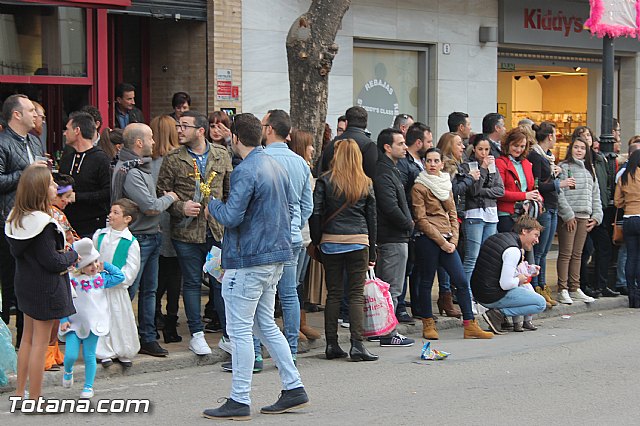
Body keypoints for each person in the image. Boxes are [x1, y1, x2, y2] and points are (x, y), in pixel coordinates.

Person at [205, 113, 308, 420]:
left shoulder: (246, 170)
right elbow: (293, 208)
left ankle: (239, 398)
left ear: (235, 138)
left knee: (240, 332)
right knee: (264, 326)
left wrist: (211, 203)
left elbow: (232, 216)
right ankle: (293, 386)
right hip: (275, 256)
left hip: (249, 261)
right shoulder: (275, 164)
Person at [157, 111, 232, 356]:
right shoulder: (173, 158)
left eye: (185, 126)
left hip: (215, 231)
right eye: (179, 125)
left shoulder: (222, 155)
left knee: (219, 282)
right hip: (186, 233)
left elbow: (229, 191)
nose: (179, 130)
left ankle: (227, 335)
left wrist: (222, 212)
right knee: (190, 283)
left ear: (200, 131)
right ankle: (196, 333)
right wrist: (180, 207)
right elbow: (162, 191)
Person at [5, 165, 78, 401]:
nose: (56, 187)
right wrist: (74, 254)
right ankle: (35, 398)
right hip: (45, 288)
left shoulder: (17, 217)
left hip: (25, 284)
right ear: (39, 190)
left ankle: (20, 393)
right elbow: (53, 261)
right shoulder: (44, 224)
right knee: (39, 343)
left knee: (26, 339)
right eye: (51, 184)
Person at [411, 147, 493, 340]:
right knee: (426, 281)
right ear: (424, 163)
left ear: (441, 163)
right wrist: (442, 242)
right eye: (428, 161)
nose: (432, 164)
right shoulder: (419, 187)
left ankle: (470, 324)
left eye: (436, 161)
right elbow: (421, 220)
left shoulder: (445, 183)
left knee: (462, 281)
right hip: (428, 239)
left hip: (448, 238)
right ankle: (428, 323)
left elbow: (453, 213)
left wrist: (453, 240)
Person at [112, 123, 179, 357]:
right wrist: (170, 197)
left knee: (149, 291)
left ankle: (147, 337)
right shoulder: (131, 171)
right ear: (139, 143)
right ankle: (118, 337)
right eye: (150, 138)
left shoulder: (139, 167)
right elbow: (150, 207)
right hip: (138, 238)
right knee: (129, 290)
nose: (153, 142)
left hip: (150, 236)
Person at [311, 138, 379, 360]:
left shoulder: (325, 181)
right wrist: (373, 251)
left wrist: (318, 240)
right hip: (359, 240)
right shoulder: (366, 182)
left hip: (331, 241)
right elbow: (372, 219)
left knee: (334, 293)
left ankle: (331, 344)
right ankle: (357, 345)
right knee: (356, 295)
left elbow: (316, 213)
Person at [260, 109, 313, 360]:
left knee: (262, 294)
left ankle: (262, 347)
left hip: (267, 238)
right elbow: (307, 205)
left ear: (270, 129)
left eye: (263, 125)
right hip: (292, 237)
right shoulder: (300, 162)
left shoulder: (260, 158)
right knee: (289, 293)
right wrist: (294, 223)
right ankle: (290, 348)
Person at [0, 94, 45, 349]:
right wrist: (25, 173)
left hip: (35, 221)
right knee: (10, 281)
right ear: (16, 114)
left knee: (30, 281)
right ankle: (5, 344)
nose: (35, 115)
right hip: (7, 222)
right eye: (30, 110)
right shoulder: (2, 143)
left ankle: (25, 342)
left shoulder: (35, 141)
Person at [60, 238, 125, 398]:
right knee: (71, 356)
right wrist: (63, 319)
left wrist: (105, 265)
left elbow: (119, 276)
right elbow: (63, 300)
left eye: (96, 262)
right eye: (90, 264)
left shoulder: (100, 279)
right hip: (74, 323)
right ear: (80, 266)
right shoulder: (71, 280)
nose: (94, 266)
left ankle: (88, 386)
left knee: (90, 355)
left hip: (93, 324)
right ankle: (68, 371)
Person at [373, 128, 416, 346]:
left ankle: (386, 331)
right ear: (387, 147)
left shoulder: (391, 170)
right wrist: (408, 224)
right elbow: (389, 206)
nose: (405, 147)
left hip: (396, 236)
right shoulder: (384, 172)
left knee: (391, 287)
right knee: (392, 288)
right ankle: (388, 333)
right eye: (400, 143)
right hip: (392, 238)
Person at [472, 216, 547, 333]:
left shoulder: (499, 238)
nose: (537, 241)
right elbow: (506, 284)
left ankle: (500, 318)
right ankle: (498, 314)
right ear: (524, 231)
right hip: (491, 296)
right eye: (535, 235)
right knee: (540, 303)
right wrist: (520, 279)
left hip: (479, 292)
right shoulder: (513, 250)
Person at [93, 199, 142, 368]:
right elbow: (93, 257)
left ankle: (123, 350)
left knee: (119, 318)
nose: (110, 215)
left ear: (127, 218)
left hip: (117, 289)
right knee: (101, 318)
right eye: (111, 212)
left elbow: (132, 267)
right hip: (99, 287)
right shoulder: (99, 235)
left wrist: (119, 280)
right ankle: (103, 351)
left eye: (116, 212)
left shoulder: (130, 242)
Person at [528, 122, 571, 307]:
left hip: (552, 205)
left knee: (544, 251)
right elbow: (537, 185)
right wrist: (558, 184)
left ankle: (542, 286)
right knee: (539, 251)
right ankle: (537, 286)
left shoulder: (547, 157)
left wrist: (557, 173)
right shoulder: (536, 156)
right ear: (550, 137)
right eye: (554, 134)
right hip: (545, 206)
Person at [555, 137, 602, 305]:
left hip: (585, 216)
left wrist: (596, 216)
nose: (579, 150)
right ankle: (563, 289)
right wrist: (567, 214)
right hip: (569, 217)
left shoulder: (591, 171)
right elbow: (559, 192)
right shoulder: (563, 167)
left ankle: (575, 288)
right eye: (576, 147)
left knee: (578, 254)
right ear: (571, 148)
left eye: (583, 148)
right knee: (566, 253)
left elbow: (596, 195)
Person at [149, 115, 183, 343]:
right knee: (175, 276)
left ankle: (153, 317)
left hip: (154, 224)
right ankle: (171, 323)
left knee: (155, 278)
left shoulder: (147, 164)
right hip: (176, 223)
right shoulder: (177, 161)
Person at [288, 129, 321, 341]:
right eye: (308, 145)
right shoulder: (297, 169)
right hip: (296, 234)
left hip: (306, 235)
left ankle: (300, 322)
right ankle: (293, 327)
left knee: (298, 282)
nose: (312, 149)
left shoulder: (306, 169)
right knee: (291, 284)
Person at [45, 173, 80, 371]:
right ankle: (47, 355)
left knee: (56, 315)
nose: (67, 202)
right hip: (58, 266)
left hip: (62, 265)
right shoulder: (53, 214)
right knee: (53, 313)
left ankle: (53, 352)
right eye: (64, 197)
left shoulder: (57, 212)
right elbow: (68, 238)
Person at [59, 111, 111, 237]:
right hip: (67, 225)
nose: (65, 133)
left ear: (77, 130)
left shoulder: (101, 159)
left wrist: (78, 197)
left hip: (93, 227)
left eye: (67, 129)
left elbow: (108, 192)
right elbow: (65, 185)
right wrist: (64, 192)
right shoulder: (66, 158)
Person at [462, 135, 504, 282]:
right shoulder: (468, 166)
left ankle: (480, 291)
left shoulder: (494, 166)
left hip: (491, 213)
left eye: (487, 149)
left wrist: (483, 192)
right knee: (472, 256)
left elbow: (500, 190)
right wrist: (483, 169)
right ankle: (466, 294)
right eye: (480, 149)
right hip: (474, 214)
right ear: (474, 149)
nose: (484, 153)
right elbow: (473, 190)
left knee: (486, 256)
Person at [496, 128, 539, 233]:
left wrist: (538, 197)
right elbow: (500, 193)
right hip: (507, 215)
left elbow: (532, 188)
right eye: (516, 146)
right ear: (508, 144)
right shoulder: (500, 163)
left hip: (525, 214)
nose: (519, 149)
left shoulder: (526, 163)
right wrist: (525, 195)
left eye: (522, 146)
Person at [320, 106, 378, 179]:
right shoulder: (370, 146)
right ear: (366, 124)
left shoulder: (332, 144)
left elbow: (323, 170)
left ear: (346, 123)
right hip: (359, 189)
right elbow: (372, 174)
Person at [614, 149, 640, 308]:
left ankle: (631, 295)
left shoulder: (624, 176)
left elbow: (617, 201)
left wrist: (628, 204)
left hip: (628, 219)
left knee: (631, 256)